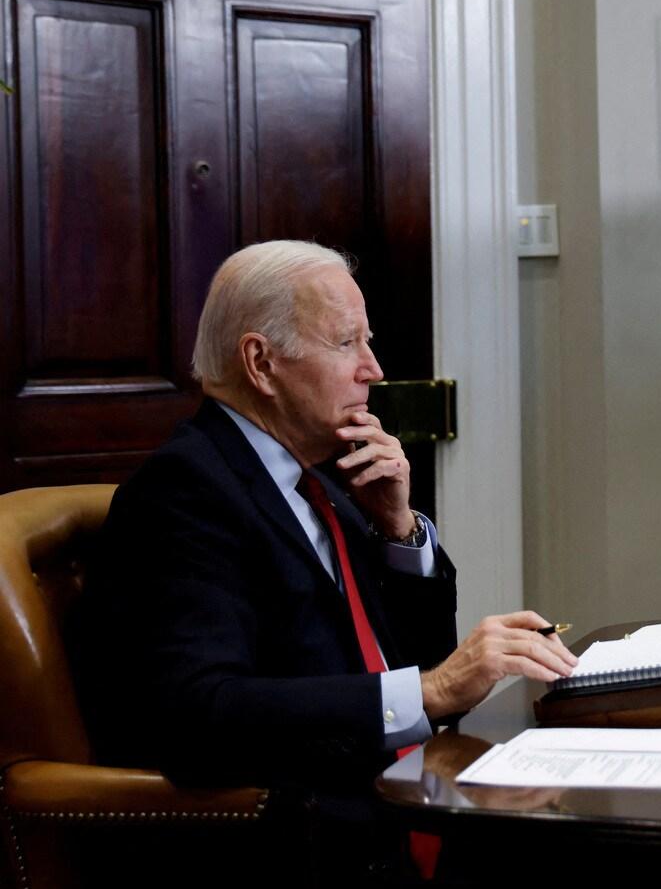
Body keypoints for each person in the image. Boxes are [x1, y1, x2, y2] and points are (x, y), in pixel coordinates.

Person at [77, 240, 576, 883]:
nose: (373, 368)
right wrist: (432, 688)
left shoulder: (324, 482)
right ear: (261, 362)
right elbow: (201, 710)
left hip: (393, 802)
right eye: (347, 343)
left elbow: (414, 665)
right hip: (307, 844)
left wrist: (398, 530)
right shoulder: (185, 493)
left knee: (629, 834)